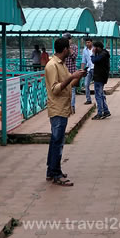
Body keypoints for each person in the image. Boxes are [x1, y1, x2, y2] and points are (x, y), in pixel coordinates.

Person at [44, 37, 86, 186]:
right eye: (69, 48)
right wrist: (71, 77)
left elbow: (69, 85)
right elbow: (55, 89)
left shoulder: (61, 65)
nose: (72, 50)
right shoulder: (52, 65)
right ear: (64, 50)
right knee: (57, 142)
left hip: (63, 107)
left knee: (56, 141)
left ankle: (51, 171)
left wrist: (78, 76)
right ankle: (56, 174)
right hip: (57, 108)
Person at [90, 41, 111, 120]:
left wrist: (93, 54)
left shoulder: (102, 55)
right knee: (101, 94)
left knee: (98, 95)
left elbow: (94, 60)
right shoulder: (104, 53)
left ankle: (100, 113)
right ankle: (106, 111)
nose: (93, 49)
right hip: (102, 77)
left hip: (99, 77)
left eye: (94, 47)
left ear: (98, 47)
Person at [62, 33, 78, 114]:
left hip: (72, 72)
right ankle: (65, 107)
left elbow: (74, 56)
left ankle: (72, 106)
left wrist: (70, 50)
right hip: (63, 72)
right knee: (64, 89)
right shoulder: (62, 47)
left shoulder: (74, 47)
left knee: (72, 89)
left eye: (67, 39)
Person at [82, 38, 94, 105]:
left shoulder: (95, 49)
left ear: (91, 42)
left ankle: (100, 98)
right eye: (86, 43)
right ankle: (88, 99)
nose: (87, 44)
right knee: (86, 84)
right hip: (89, 69)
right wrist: (82, 69)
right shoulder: (85, 50)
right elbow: (83, 60)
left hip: (95, 69)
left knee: (97, 85)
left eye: (89, 42)